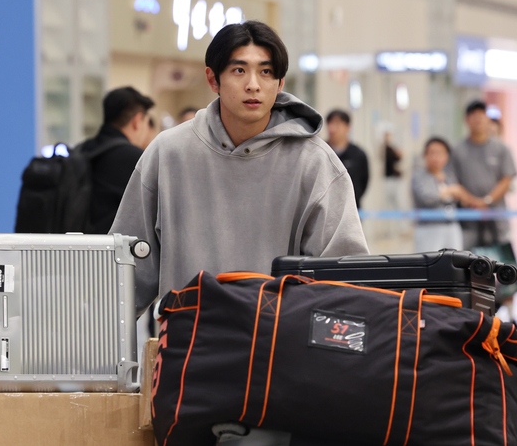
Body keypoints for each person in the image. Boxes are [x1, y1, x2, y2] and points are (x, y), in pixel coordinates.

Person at [110, 20, 369, 314]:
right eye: (239, 70)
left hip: (279, 339)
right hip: (189, 339)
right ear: (213, 79)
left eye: (266, 72)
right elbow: (124, 276)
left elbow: (345, 284)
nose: (253, 84)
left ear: (280, 83)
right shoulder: (167, 153)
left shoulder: (316, 164)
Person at [80, 86, 154, 234]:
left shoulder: (83, 149)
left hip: (75, 242)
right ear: (137, 121)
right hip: (110, 246)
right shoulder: (137, 159)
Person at [450, 100, 517, 250]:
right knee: (467, 257)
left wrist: (486, 201)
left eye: (481, 114)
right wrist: (473, 202)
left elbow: (506, 179)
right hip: (468, 219)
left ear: (488, 119)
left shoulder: (501, 148)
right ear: (466, 120)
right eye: (473, 115)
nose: (478, 119)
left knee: (500, 258)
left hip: (497, 217)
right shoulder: (458, 150)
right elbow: (453, 182)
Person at [411, 137, 475, 252]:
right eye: (432, 153)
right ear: (425, 155)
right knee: (429, 259)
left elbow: (461, 197)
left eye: (440, 153)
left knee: (455, 259)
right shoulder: (419, 176)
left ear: (447, 156)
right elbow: (427, 198)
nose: (436, 157)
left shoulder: (449, 176)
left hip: (451, 226)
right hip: (429, 227)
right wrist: (449, 191)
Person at [326, 109, 370, 208]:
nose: (332, 129)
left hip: (352, 207)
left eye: (337, 124)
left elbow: (363, 182)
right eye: (330, 124)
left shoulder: (358, 154)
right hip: (326, 208)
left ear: (347, 127)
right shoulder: (321, 152)